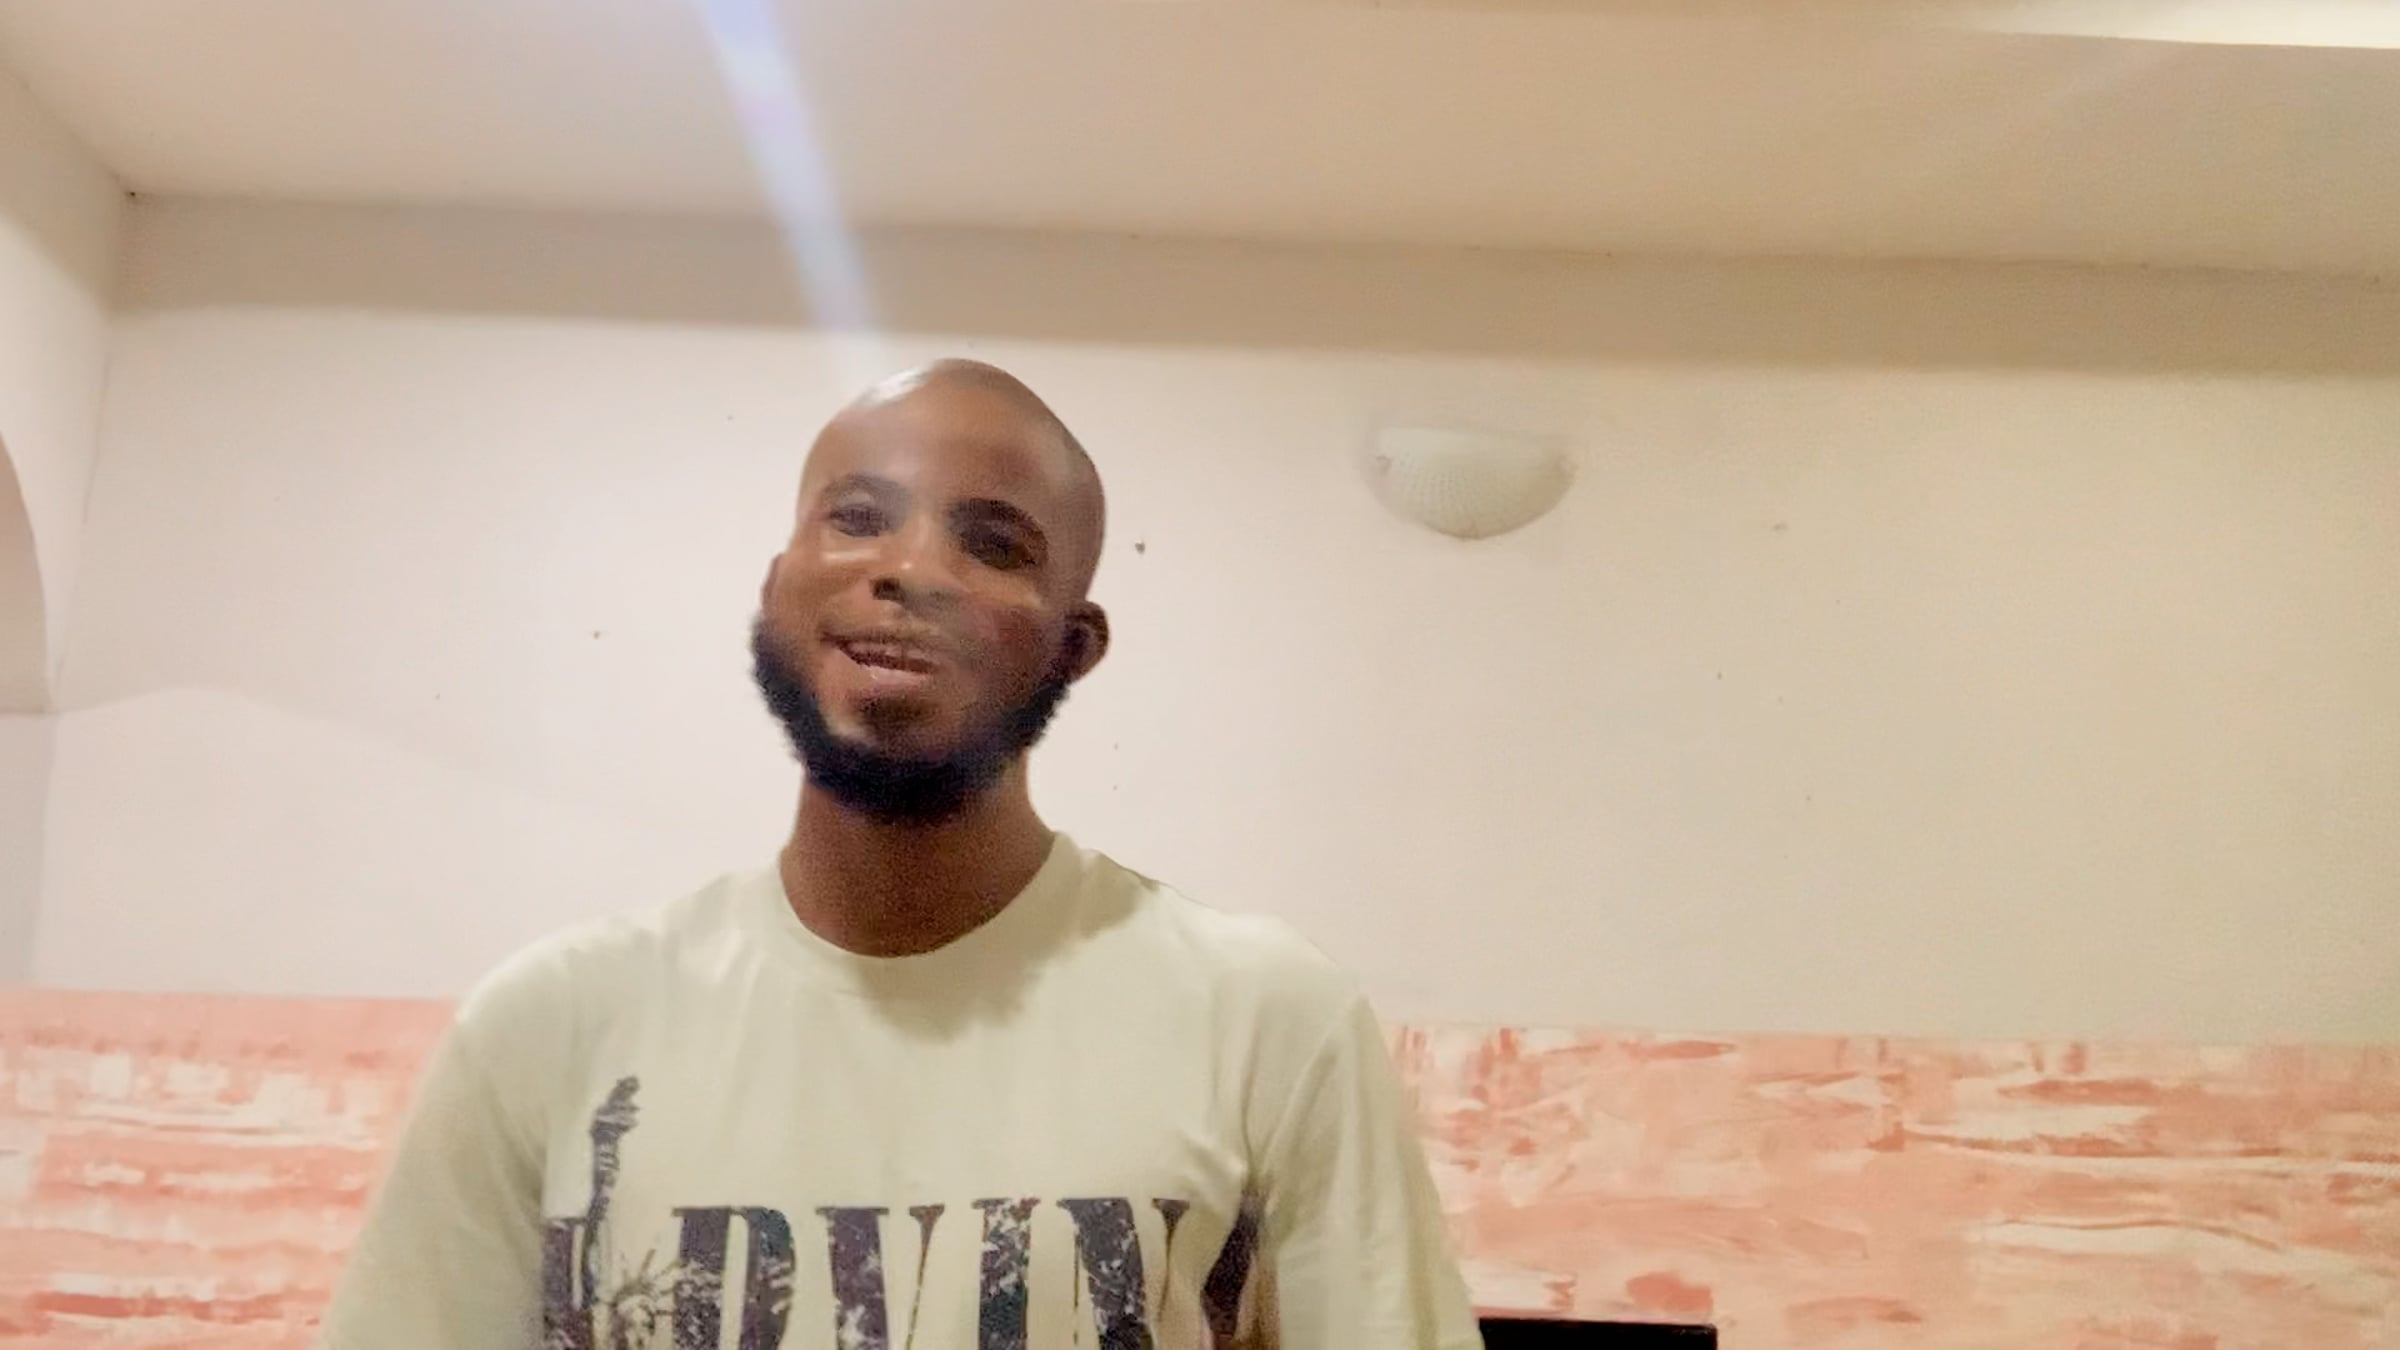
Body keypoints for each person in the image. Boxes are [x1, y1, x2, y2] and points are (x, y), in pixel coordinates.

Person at [322, 360, 1483, 1350]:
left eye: (994, 543)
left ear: (1073, 647)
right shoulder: (548, 1029)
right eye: (859, 517)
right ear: (778, 588)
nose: (913, 569)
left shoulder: (1268, 1022)